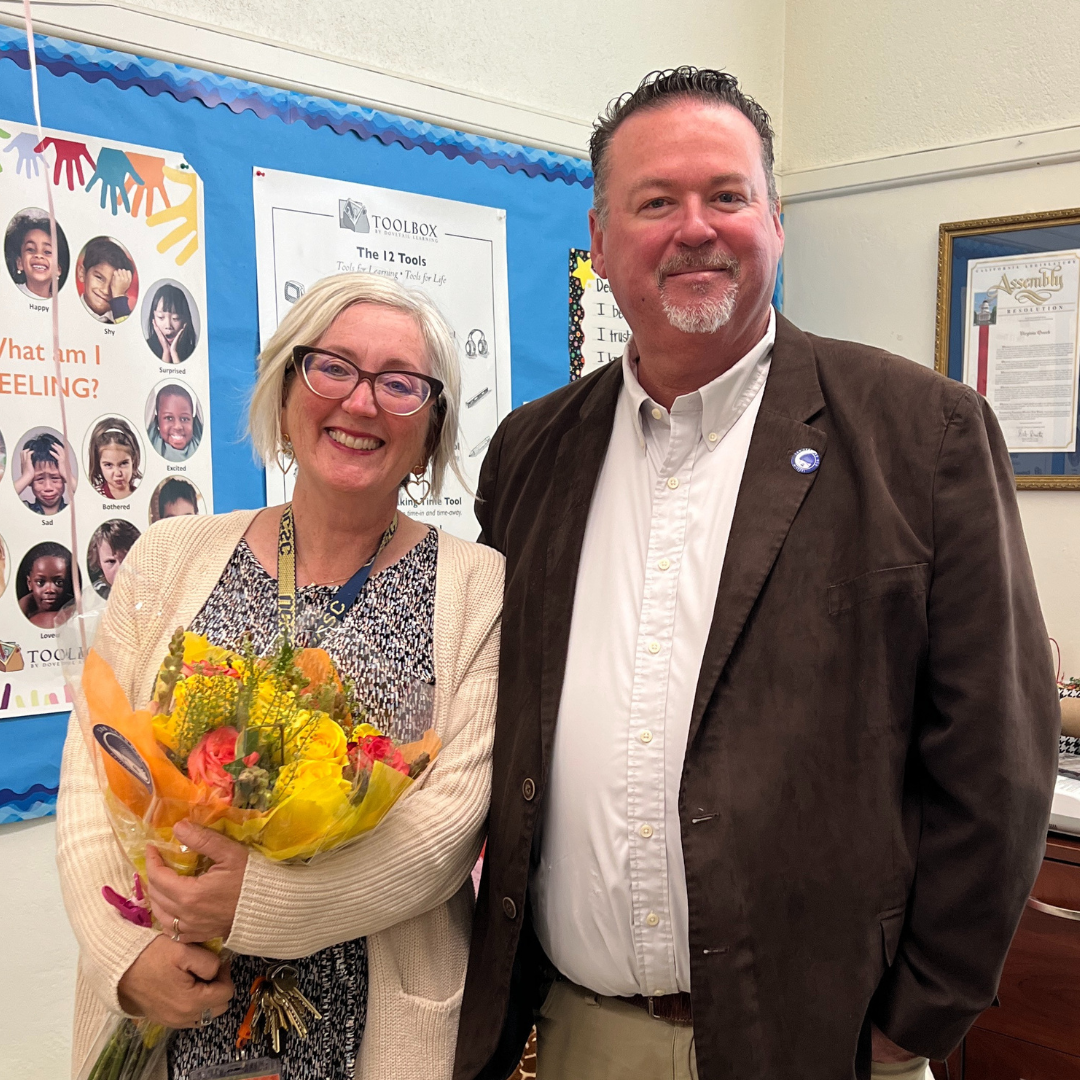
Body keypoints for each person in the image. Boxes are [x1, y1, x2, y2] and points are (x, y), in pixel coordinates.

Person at [454, 68, 1059, 1080]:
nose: (695, 228)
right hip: (581, 1036)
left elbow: (997, 758)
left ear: (776, 222)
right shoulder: (532, 450)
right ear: (600, 239)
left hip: (824, 1043)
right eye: (656, 202)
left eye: (726, 195)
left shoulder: (923, 434)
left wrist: (916, 1018)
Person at [56, 272, 503, 1080]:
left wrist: (254, 903)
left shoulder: (480, 590)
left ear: (432, 429)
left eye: (400, 384)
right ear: (285, 393)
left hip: (377, 1035)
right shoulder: (167, 555)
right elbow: (94, 776)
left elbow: (447, 830)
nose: (361, 403)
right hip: (172, 1012)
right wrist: (127, 956)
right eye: (333, 367)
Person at [4, 209, 70, 299]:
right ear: (20, 263)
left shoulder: (63, 301)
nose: (39, 255)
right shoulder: (8, 294)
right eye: (31, 249)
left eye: (47, 252)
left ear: (58, 269)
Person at [78, 236, 134, 324]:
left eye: (114, 284)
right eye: (99, 278)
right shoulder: (67, 305)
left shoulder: (123, 316)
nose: (105, 291)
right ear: (82, 273)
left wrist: (119, 297)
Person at [18, 542, 75, 628]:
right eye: (40, 582)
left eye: (59, 582)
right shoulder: (23, 607)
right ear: (29, 583)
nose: (49, 590)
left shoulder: (73, 605)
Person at [15, 432, 73, 515]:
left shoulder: (75, 510)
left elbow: (91, 499)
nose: (48, 487)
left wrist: (68, 475)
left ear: (64, 478)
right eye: (40, 479)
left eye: (55, 478)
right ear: (29, 481)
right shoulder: (22, 510)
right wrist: (26, 476)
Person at [87, 418, 142, 501]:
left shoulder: (141, 495)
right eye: (108, 465)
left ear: (133, 459)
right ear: (98, 464)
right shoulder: (93, 496)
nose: (117, 473)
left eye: (123, 463)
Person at [147, 383, 202, 462]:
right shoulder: (152, 439)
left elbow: (204, 396)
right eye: (169, 418)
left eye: (184, 419)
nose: (177, 426)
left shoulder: (199, 438)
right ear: (157, 421)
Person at [87, 519, 140, 599]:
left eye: (127, 559)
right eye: (111, 561)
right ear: (98, 562)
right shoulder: (91, 598)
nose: (120, 569)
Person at [146, 282, 197, 364]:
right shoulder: (145, 348)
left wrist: (174, 353)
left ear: (185, 321)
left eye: (175, 318)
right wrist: (166, 352)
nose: (168, 326)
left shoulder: (192, 351)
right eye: (161, 317)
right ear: (153, 318)